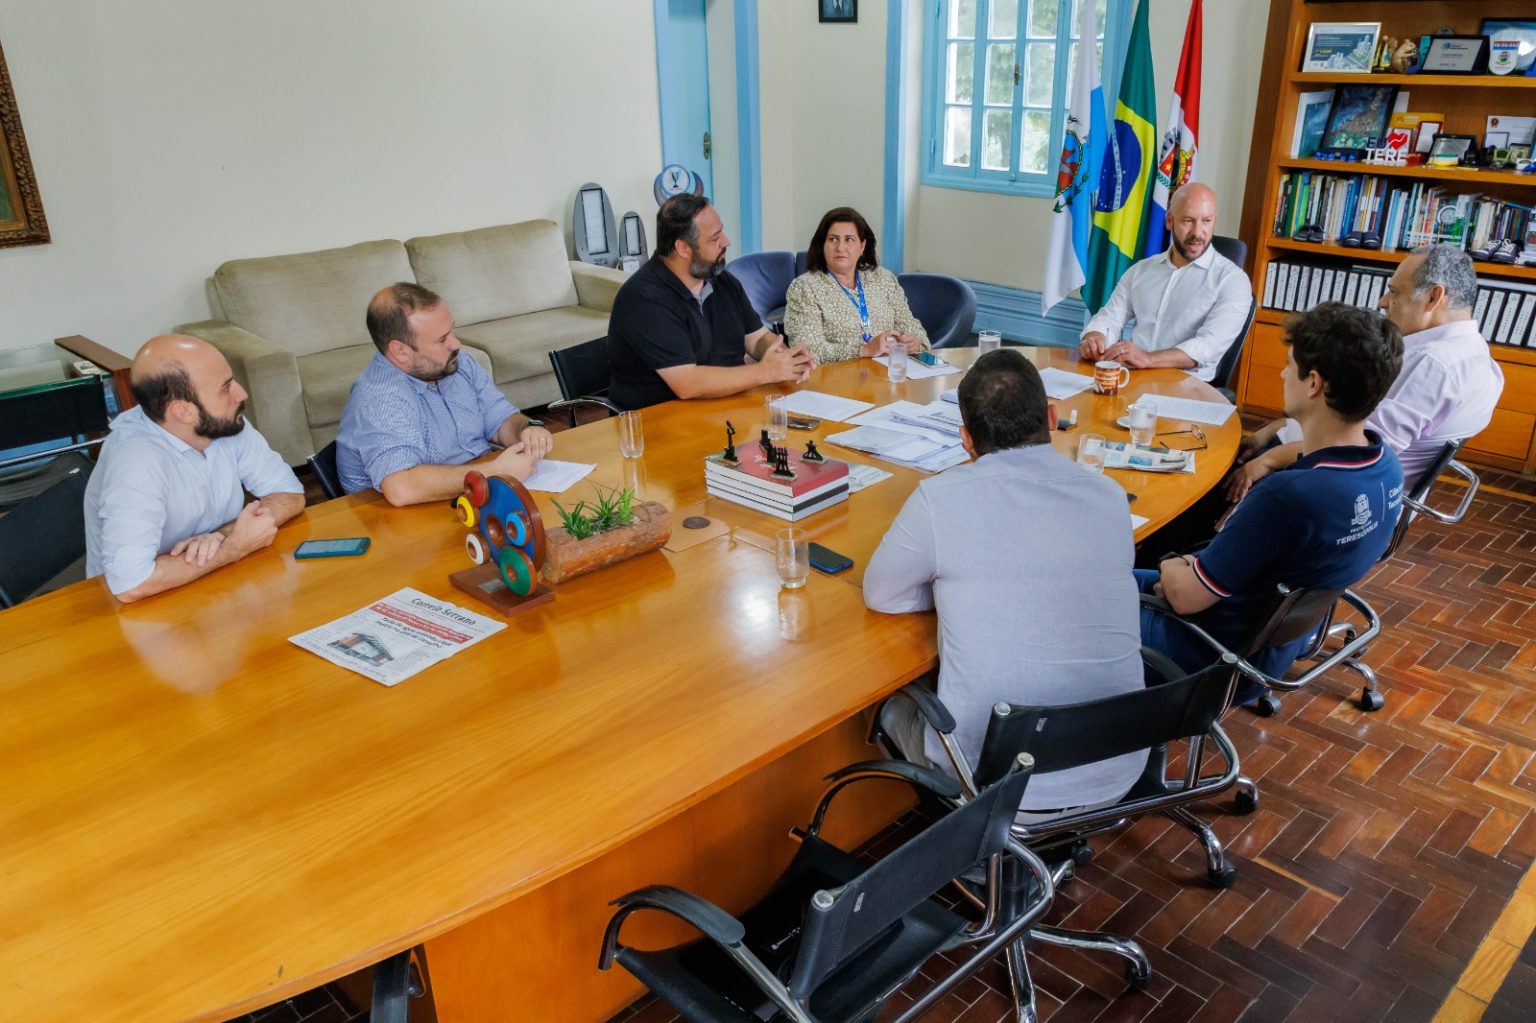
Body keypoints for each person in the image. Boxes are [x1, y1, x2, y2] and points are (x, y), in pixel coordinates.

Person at [864, 349, 1146, 816]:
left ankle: (953, 838)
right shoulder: (1111, 496)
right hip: (1117, 764)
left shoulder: (939, 498)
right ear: (1052, 416)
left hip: (996, 784)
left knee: (890, 707)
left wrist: (955, 589)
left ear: (965, 440)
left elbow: (882, 595)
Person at [1138, 302, 1404, 705]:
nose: (1282, 374)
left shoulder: (1288, 497)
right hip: (1272, 647)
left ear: (1313, 383)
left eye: (1288, 365)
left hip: (1207, 656)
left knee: (1071, 594)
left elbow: (1185, 597)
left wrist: (1172, 563)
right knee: (1117, 578)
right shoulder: (1387, 469)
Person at [1230, 245, 1504, 498]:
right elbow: (1343, 417)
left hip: (1321, 480)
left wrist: (1268, 459)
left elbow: (1354, 449)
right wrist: (1272, 430)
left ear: (1434, 297)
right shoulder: (1480, 357)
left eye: (1394, 292)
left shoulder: (1431, 365)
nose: (1383, 302)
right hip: (1309, 458)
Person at [83, 334, 305, 602]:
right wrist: (234, 547)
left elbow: (289, 493)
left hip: (214, 581)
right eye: (225, 387)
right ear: (183, 412)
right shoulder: (135, 460)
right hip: (142, 606)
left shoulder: (221, 421)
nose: (241, 394)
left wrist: (222, 537)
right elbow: (132, 584)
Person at [336, 283, 553, 505]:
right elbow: (402, 488)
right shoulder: (381, 398)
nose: (456, 344)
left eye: (451, 331)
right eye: (441, 340)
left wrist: (525, 429)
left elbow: (497, 417)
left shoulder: (455, 363)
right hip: (403, 515)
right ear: (400, 351)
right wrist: (493, 471)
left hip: (466, 494)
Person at [607, 194, 814, 409]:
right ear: (683, 248)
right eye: (715, 239)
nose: (726, 242)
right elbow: (687, 383)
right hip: (662, 418)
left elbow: (756, 338)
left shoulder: (723, 280)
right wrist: (764, 372)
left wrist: (787, 360)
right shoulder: (644, 299)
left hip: (728, 407)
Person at [1078, 183, 1252, 383]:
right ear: (1170, 221)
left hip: (1188, 387)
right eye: (1188, 221)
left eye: (1206, 221)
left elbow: (1208, 347)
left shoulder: (1233, 281)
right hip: (1133, 378)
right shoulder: (1141, 270)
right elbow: (1110, 318)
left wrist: (1147, 359)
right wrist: (1095, 336)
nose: (1198, 232)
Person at [782, 206, 929, 363]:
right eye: (833, 239)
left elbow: (912, 327)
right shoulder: (805, 288)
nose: (840, 248)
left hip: (889, 372)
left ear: (862, 245)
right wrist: (864, 350)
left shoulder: (883, 278)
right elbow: (806, 351)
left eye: (849, 239)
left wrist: (915, 342)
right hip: (837, 376)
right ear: (822, 244)